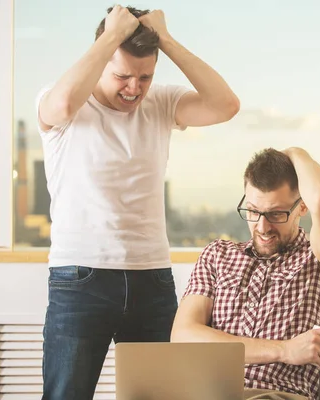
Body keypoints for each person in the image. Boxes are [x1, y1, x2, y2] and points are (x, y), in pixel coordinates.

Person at [36, 5, 239, 399]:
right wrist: (111, 35)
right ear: (101, 57)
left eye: (145, 77)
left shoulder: (161, 103)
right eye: (122, 76)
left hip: (151, 277)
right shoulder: (65, 104)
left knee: (162, 395)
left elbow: (225, 106)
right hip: (80, 278)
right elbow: (59, 107)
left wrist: (167, 40)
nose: (134, 88)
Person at [171, 147, 320, 400]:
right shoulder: (217, 255)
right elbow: (183, 336)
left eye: (276, 214)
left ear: (302, 207)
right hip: (207, 393)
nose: (262, 227)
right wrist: (284, 350)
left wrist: (295, 152)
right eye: (252, 211)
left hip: (275, 394)